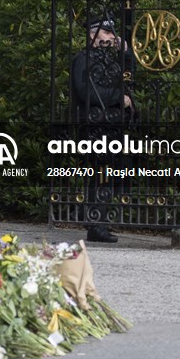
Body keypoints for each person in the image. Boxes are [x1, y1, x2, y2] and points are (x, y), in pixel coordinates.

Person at [69, 14, 137, 243]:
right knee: (102, 173)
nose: (112, 36)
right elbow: (85, 92)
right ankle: (95, 224)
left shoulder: (108, 60)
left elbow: (129, 76)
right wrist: (120, 98)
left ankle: (95, 219)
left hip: (112, 125)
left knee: (115, 173)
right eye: (108, 32)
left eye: (113, 33)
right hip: (94, 126)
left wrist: (126, 51)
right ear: (93, 34)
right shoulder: (84, 59)